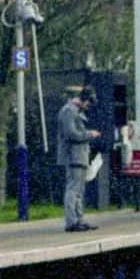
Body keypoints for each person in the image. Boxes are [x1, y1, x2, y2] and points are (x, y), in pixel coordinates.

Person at [56, 84, 100, 231]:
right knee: (73, 189)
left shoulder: (76, 111)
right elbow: (71, 134)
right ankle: (71, 222)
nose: (88, 107)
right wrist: (90, 134)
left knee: (79, 190)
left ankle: (79, 219)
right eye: (88, 103)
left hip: (80, 155)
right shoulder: (69, 111)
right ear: (83, 99)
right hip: (73, 155)